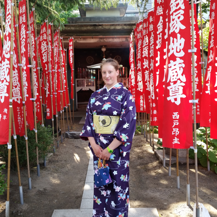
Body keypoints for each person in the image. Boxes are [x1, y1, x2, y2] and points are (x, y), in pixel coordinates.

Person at [80, 58, 136, 217]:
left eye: (110, 71)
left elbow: (128, 124)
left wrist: (110, 148)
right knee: (101, 187)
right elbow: (89, 122)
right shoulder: (95, 96)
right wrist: (95, 146)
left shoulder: (126, 96)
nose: (107, 75)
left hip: (117, 151)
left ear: (118, 72)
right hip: (99, 152)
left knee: (118, 188)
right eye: (104, 72)